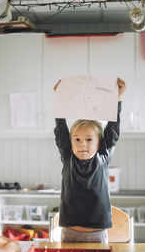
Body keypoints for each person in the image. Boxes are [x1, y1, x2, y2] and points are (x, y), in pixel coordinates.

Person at [54, 77, 126, 243]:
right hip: (68, 232)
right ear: (70, 142)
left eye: (89, 139)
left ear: (100, 142)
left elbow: (113, 128)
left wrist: (118, 99)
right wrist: (60, 98)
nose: (82, 144)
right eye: (77, 139)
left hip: (97, 234)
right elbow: (61, 128)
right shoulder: (67, 156)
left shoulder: (103, 155)